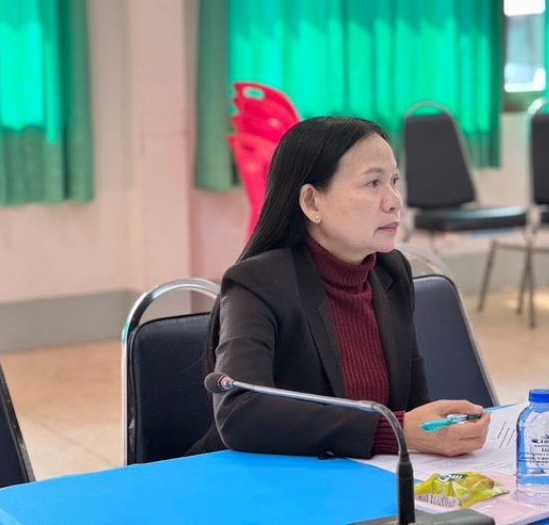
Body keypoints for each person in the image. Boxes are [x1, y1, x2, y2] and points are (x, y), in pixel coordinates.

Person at [189, 116, 490, 459]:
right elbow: (240, 412)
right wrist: (391, 431)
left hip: (368, 472)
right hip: (271, 477)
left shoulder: (390, 272)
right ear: (312, 203)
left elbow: (412, 405)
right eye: (372, 183)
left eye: (394, 181)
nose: (394, 200)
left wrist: (438, 428)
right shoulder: (257, 284)